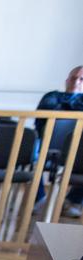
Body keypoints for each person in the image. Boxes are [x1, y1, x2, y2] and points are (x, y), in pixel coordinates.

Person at [38, 65, 83, 217]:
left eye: (81, 79)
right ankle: (40, 200)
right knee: (33, 155)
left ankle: (72, 201)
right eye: (74, 78)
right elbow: (45, 114)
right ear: (67, 80)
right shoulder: (52, 96)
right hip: (48, 147)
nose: (77, 82)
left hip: (78, 152)